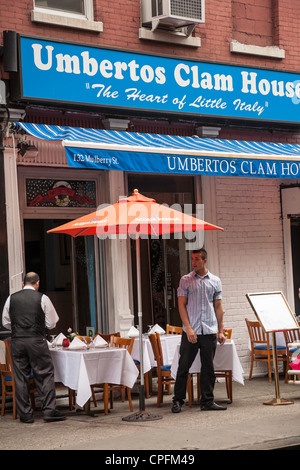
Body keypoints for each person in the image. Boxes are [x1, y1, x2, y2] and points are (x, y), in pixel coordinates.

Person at [2, 272, 66, 423]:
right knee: (44, 374)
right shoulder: (42, 298)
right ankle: (49, 411)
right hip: (36, 340)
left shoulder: (11, 298)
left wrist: (19, 327)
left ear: (23, 284)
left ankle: (25, 415)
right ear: (37, 283)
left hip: (17, 341)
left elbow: (5, 322)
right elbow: (51, 323)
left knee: (20, 377)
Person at [171, 248, 227, 413]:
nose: (194, 262)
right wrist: (188, 328)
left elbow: (218, 306)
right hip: (191, 331)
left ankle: (207, 401)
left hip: (209, 330)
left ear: (205, 260)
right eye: (192, 259)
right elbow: (181, 305)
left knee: (208, 368)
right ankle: (177, 401)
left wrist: (220, 330)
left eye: (197, 259)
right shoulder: (185, 280)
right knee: (183, 367)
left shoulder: (215, 281)